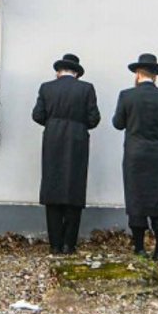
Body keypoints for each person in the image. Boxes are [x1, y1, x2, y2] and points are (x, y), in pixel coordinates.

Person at [31, 53, 100, 255]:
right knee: (74, 188)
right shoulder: (86, 89)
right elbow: (94, 119)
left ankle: (55, 244)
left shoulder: (46, 88)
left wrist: (53, 123)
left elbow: (37, 115)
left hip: (53, 139)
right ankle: (69, 244)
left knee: (52, 188)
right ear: (76, 73)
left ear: (58, 71)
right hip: (77, 140)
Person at [112, 53, 158, 262]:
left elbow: (118, 123)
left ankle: (139, 247)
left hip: (135, 153)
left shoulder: (126, 95)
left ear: (138, 74)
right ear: (155, 75)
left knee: (136, 196)